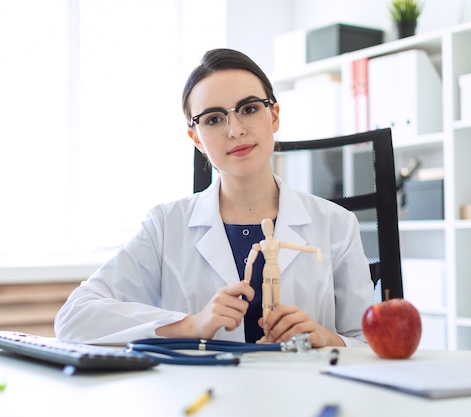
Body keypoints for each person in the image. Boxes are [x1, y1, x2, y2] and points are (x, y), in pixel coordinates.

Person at [55, 48, 373, 348]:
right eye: (213, 119)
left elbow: (368, 343)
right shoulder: (165, 226)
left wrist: (329, 338)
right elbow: (74, 318)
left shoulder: (337, 224)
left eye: (249, 109)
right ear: (196, 139)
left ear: (274, 116)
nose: (234, 130)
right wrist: (189, 325)